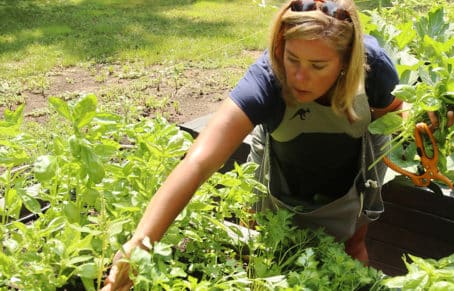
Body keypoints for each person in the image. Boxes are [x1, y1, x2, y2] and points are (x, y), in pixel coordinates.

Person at [102, 0, 403, 289]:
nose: (299, 76)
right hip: (281, 150)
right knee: (264, 240)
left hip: (354, 155)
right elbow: (199, 161)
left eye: (318, 65)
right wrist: (139, 245)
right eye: (292, 58)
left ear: (345, 62)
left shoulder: (372, 67)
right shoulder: (267, 78)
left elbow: (397, 117)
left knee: (352, 244)